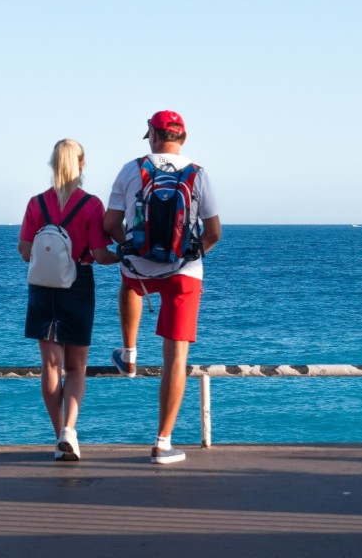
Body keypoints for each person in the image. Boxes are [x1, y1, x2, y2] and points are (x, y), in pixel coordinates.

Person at [103, 110, 221, 464]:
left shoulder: (131, 169)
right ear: (182, 137)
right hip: (185, 274)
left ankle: (129, 354)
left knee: (128, 285)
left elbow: (110, 223)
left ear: (153, 136)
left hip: (139, 269)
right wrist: (189, 255)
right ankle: (162, 443)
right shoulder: (198, 174)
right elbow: (214, 233)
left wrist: (133, 248)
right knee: (176, 358)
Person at [19, 138, 118, 461]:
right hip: (78, 284)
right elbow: (100, 254)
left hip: (42, 287)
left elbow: (24, 252)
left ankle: (57, 434)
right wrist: (124, 257)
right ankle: (69, 431)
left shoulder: (36, 204)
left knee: (51, 365)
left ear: (52, 164)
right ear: (82, 164)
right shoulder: (91, 205)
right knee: (76, 367)